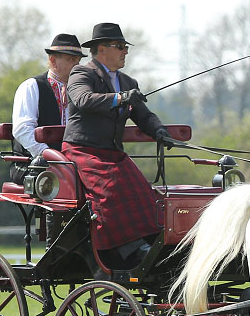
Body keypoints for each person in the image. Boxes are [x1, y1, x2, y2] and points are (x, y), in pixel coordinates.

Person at [62, 22, 171, 266]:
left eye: (125, 47)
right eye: (119, 46)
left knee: (143, 192)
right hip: (82, 150)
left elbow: (143, 115)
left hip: (112, 153)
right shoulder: (81, 73)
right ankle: (127, 249)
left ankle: (154, 243)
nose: (125, 52)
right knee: (110, 189)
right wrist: (120, 98)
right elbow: (83, 99)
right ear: (101, 49)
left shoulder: (128, 81)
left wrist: (159, 130)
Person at [10, 34, 86, 183]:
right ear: (53, 61)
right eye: (71, 60)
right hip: (33, 166)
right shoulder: (31, 86)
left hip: (73, 165)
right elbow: (23, 130)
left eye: (78, 61)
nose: (77, 66)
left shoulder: (81, 92)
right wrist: (52, 158)